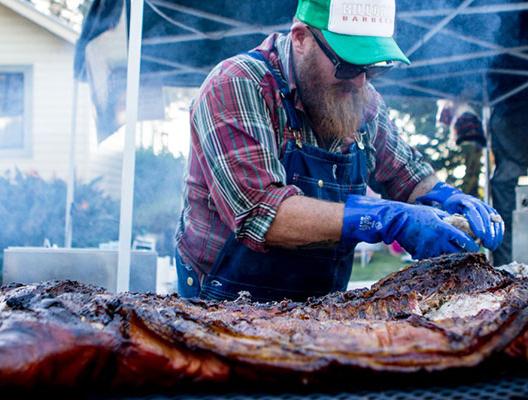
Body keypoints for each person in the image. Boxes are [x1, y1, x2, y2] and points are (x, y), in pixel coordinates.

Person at [174, 0, 504, 302]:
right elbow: (262, 214)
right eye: (347, 65)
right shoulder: (237, 84)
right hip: (222, 306)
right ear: (301, 38)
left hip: (321, 309)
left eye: (373, 67)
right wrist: (382, 218)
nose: (361, 82)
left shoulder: (364, 98)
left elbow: (407, 175)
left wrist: (446, 197)